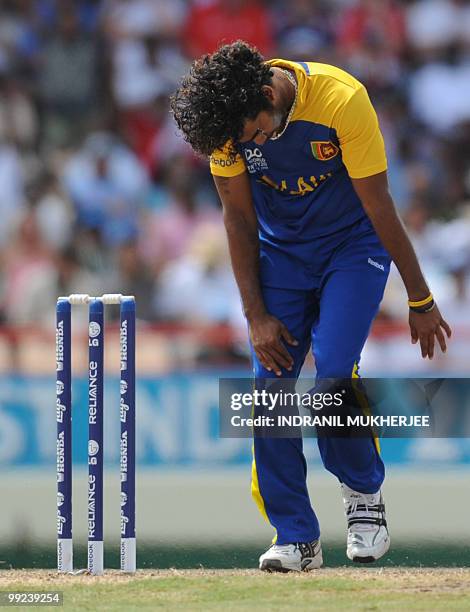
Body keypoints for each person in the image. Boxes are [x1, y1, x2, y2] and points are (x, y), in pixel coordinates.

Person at [170, 41, 452, 572]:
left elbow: (379, 204)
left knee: (333, 379)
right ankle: (296, 536)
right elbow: (237, 220)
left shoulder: (342, 100)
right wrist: (255, 316)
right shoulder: (228, 125)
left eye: (253, 131)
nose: (251, 144)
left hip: (352, 247)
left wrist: (420, 297)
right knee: (270, 387)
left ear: (265, 93)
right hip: (281, 258)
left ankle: (364, 498)